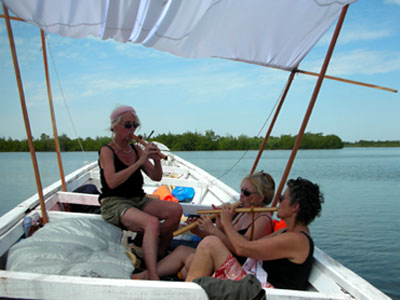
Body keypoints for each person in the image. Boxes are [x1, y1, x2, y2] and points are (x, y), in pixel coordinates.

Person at [185, 177, 324, 290]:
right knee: (196, 260)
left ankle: (185, 295)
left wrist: (226, 223)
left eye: (282, 198)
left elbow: (242, 248)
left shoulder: (296, 240)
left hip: (266, 294)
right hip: (258, 286)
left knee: (210, 244)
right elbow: (249, 245)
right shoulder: (286, 232)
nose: (279, 202)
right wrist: (220, 222)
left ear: (295, 207)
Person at [132, 171, 276, 280]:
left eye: (246, 193)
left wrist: (215, 227)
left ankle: (160, 279)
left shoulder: (262, 219)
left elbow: (240, 249)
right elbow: (221, 238)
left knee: (188, 263)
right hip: (222, 254)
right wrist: (200, 230)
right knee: (182, 251)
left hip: (237, 264)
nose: (241, 196)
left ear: (260, 198)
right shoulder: (242, 212)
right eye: (241, 190)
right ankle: (146, 276)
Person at [98, 105, 182, 280]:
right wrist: (139, 162)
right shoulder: (107, 151)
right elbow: (112, 182)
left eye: (135, 125)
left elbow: (156, 177)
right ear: (114, 127)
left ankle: (156, 253)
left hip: (137, 199)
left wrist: (156, 160)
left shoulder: (136, 150)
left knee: (176, 211)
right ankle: (152, 275)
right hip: (114, 202)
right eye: (128, 125)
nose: (132, 129)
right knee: (151, 223)